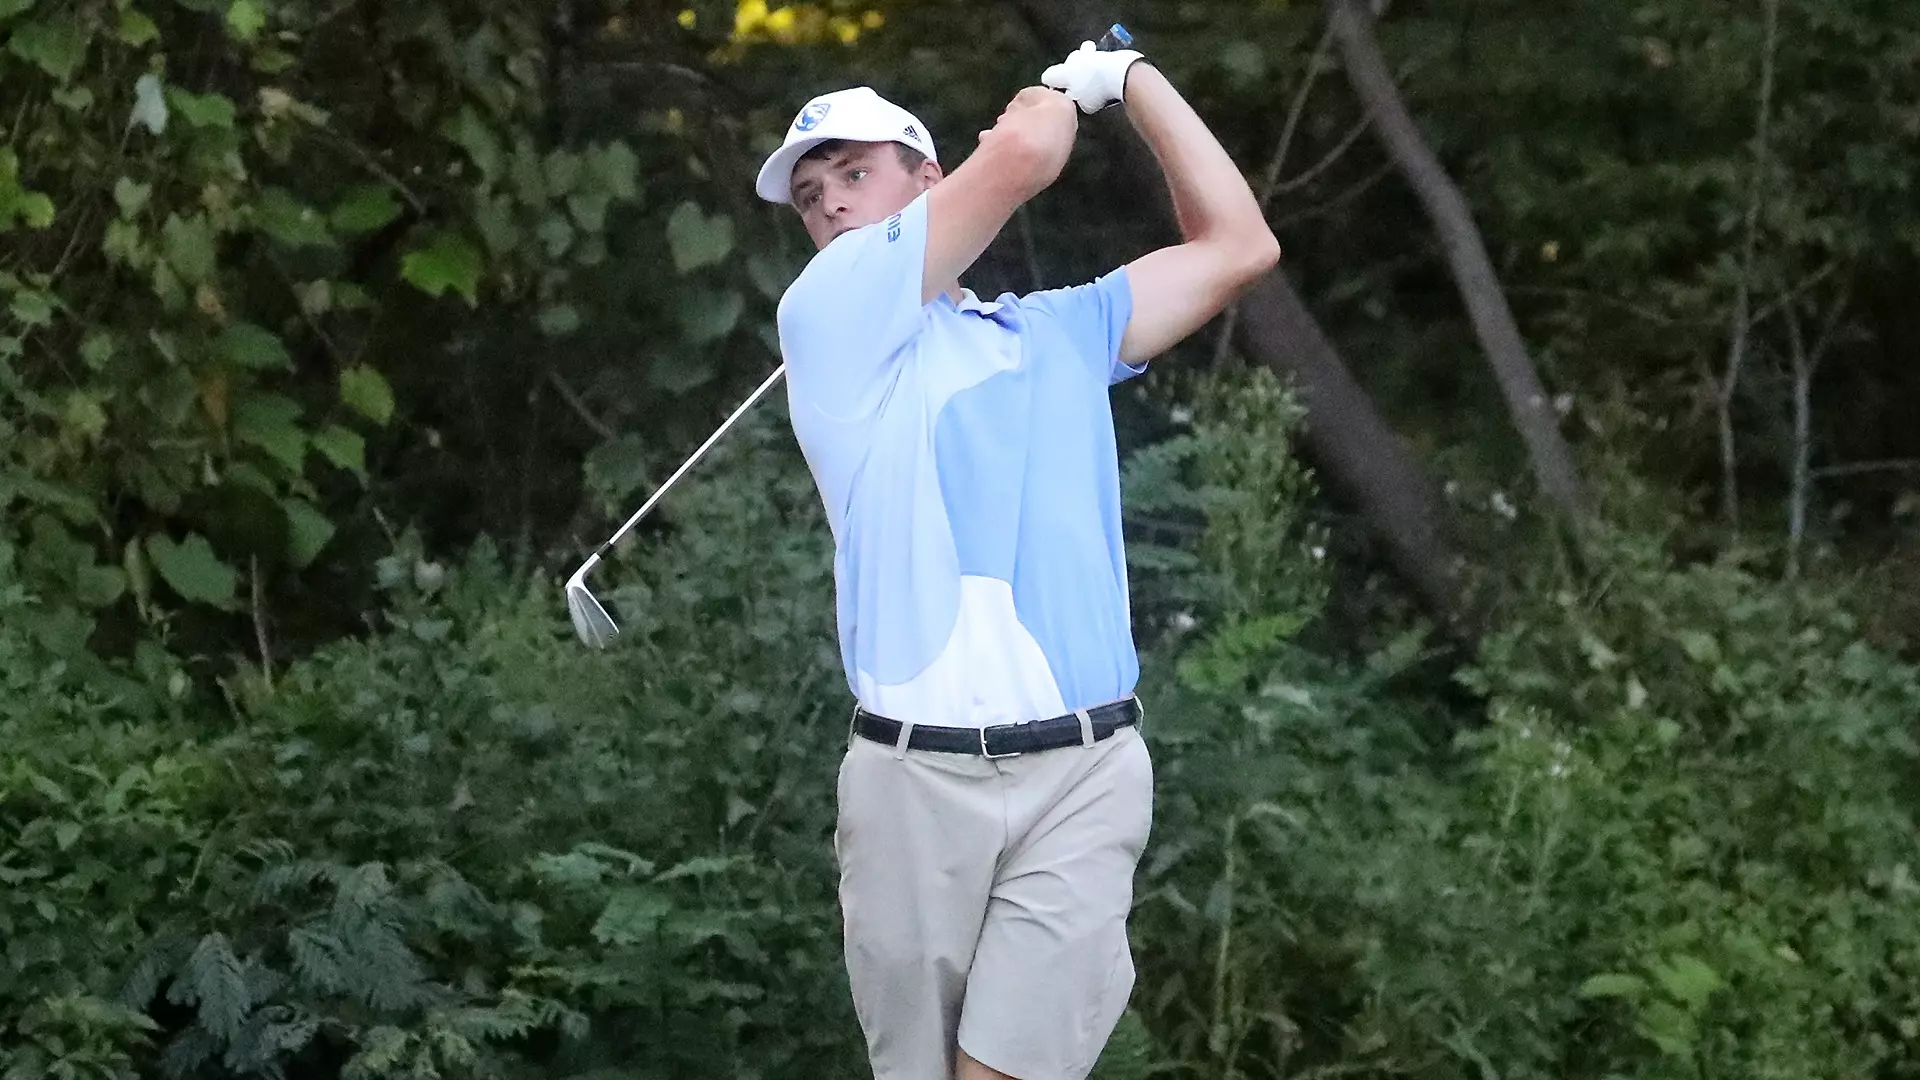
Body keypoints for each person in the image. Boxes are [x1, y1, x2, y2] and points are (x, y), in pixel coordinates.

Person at [753, 36, 1279, 1080]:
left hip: (1084, 772)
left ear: (926, 180)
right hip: (915, 784)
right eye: (813, 196)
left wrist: (1134, 80)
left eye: (856, 174)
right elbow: (1029, 156)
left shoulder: (1060, 332)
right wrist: (1050, 97)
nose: (834, 206)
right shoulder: (825, 320)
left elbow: (1240, 245)